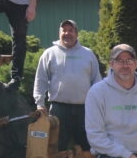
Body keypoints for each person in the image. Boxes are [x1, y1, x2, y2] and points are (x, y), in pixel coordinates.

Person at [33, 19, 101, 150]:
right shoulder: (49, 53)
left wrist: (98, 105)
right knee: (58, 145)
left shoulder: (88, 54)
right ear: (59, 33)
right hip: (59, 109)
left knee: (88, 145)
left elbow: (97, 81)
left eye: (71, 30)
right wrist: (39, 103)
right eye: (64, 30)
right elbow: (40, 79)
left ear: (77, 34)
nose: (67, 33)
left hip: (84, 109)